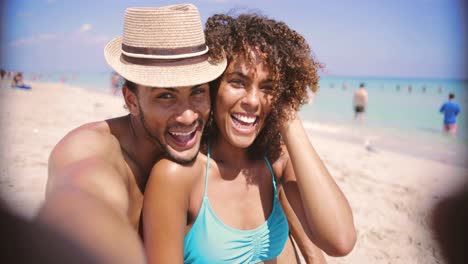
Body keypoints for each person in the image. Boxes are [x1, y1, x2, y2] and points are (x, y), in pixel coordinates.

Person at [143, 13, 356, 263]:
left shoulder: (275, 161)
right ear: (213, 86)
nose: (253, 101)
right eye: (237, 82)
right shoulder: (178, 176)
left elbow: (340, 240)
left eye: (268, 87)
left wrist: (288, 118)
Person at [37, 4, 227, 263]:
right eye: (166, 95)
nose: (188, 116)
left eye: (197, 91)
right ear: (132, 100)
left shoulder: (211, 143)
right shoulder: (90, 151)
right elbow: (81, 198)